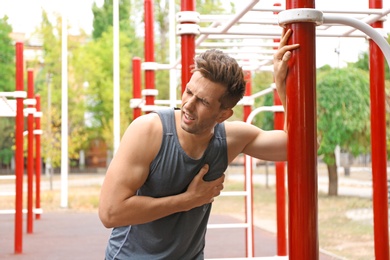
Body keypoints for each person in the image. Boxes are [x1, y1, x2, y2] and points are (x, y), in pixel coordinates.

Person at [99, 29, 299, 259]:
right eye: (188, 92)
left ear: (223, 114)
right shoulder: (148, 131)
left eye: (202, 101)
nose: (188, 105)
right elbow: (110, 213)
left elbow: (302, 147)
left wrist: (283, 86)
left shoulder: (230, 139)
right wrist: (187, 201)